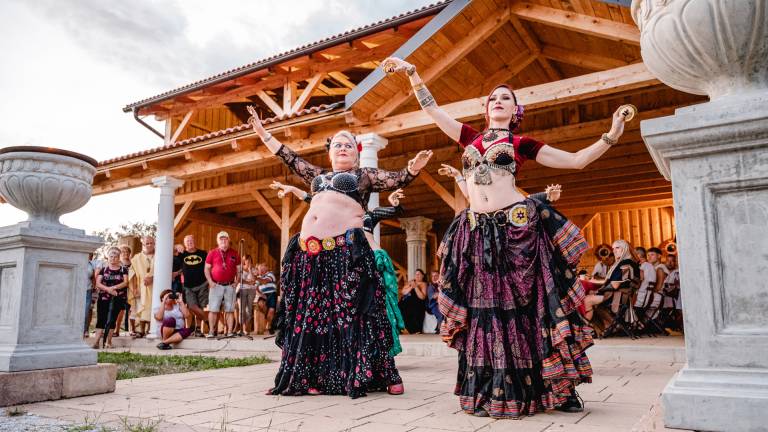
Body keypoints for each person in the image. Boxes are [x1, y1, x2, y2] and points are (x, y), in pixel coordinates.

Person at [385, 56, 633, 418]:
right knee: (484, 314)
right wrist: (412, 73)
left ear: (516, 110)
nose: (498, 101)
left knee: (528, 309)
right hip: (477, 233)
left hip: (516, 230)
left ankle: (556, 389)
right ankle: (493, 387)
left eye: (506, 98)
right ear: (486, 109)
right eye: (493, 98)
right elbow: (433, 110)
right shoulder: (469, 137)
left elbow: (576, 160)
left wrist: (612, 134)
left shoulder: (522, 142)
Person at [247, 104, 431, 398]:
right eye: (337, 144)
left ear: (356, 154)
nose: (343, 148)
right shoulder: (318, 176)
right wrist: (261, 132)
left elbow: (397, 178)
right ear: (330, 152)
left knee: (357, 314)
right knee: (313, 317)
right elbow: (289, 157)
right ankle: (312, 377)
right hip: (311, 255)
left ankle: (382, 372)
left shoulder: (363, 176)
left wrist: (413, 169)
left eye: (348, 145)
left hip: (346, 254)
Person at [270, 182, 408, 356]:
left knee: (379, 304)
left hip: (373, 259)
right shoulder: (338, 214)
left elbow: (393, 211)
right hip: (352, 264)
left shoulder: (369, 215)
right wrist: (292, 189)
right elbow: (311, 199)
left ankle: (382, 351)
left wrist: (394, 203)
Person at [204, 231, 240, 338]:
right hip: (216, 285)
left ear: (229, 240)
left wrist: (236, 281)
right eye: (221, 239)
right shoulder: (212, 253)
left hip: (230, 285)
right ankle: (211, 331)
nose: (223, 241)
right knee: (213, 309)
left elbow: (239, 270)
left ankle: (229, 332)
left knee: (230, 310)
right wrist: (210, 281)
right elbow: (206, 269)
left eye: (225, 239)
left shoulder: (235, 253)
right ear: (218, 241)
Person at [92, 247, 129, 349]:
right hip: (103, 298)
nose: (113, 258)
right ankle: (96, 342)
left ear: (118, 258)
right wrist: (108, 289)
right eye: (111, 256)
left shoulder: (123, 269)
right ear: (108, 258)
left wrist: (114, 288)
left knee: (112, 319)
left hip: (117, 297)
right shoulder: (103, 269)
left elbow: (125, 282)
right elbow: (98, 283)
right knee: (101, 319)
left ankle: (108, 342)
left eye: (115, 257)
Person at [180, 235, 209, 336]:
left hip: (202, 284)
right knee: (192, 306)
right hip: (188, 286)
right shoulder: (182, 254)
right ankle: (208, 320)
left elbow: (209, 267)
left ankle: (198, 329)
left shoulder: (203, 253)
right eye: (187, 241)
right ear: (184, 244)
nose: (189, 242)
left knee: (200, 306)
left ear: (195, 241)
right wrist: (176, 246)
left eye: (191, 240)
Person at [129, 236, 155, 337]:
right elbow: (132, 274)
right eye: (147, 243)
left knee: (152, 308)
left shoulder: (159, 256)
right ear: (143, 244)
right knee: (141, 308)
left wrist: (153, 278)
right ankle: (140, 330)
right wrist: (134, 289)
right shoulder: (136, 258)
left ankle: (150, 330)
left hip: (155, 286)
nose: (149, 245)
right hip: (141, 286)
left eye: (151, 243)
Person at [398, 270, 427, 334]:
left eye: (419, 274)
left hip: (417, 302)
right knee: (399, 307)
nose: (417, 276)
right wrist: (411, 287)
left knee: (411, 308)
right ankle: (401, 328)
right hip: (406, 301)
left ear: (423, 276)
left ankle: (413, 330)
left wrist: (416, 287)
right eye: (416, 274)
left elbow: (422, 297)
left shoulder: (423, 284)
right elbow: (403, 292)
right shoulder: (411, 282)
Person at [83, 253, 103, 338]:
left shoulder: (91, 264)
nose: (89, 255)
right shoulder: (78, 261)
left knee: (86, 311)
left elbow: (93, 276)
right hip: (78, 290)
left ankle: (85, 329)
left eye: (91, 254)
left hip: (88, 290)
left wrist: (94, 287)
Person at [238, 255, 258, 336]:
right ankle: (242, 329)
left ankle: (245, 328)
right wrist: (247, 282)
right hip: (242, 290)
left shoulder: (254, 269)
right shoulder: (240, 269)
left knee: (249, 310)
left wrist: (250, 270)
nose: (248, 261)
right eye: (246, 260)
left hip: (251, 290)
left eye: (249, 260)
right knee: (242, 310)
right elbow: (239, 280)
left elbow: (254, 280)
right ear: (243, 261)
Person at [115, 245, 133, 337]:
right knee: (120, 310)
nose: (125, 253)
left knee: (131, 310)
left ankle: (131, 330)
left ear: (130, 253)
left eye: (127, 251)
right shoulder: (118, 263)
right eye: (123, 252)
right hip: (121, 288)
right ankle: (117, 330)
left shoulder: (133, 263)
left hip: (131, 288)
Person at [255, 263, 277, 334]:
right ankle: (267, 321)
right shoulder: (258, 277)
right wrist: (261, 294)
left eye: (262, 268)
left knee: (271, 310)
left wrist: (256, 278)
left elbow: (265, 281)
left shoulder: (270, 274)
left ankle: (269, 325)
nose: (261, 270)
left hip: (272, 293)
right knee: (261, 304)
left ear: (266, 268)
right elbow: (256, 288)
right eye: (260, 269)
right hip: (263, 295)